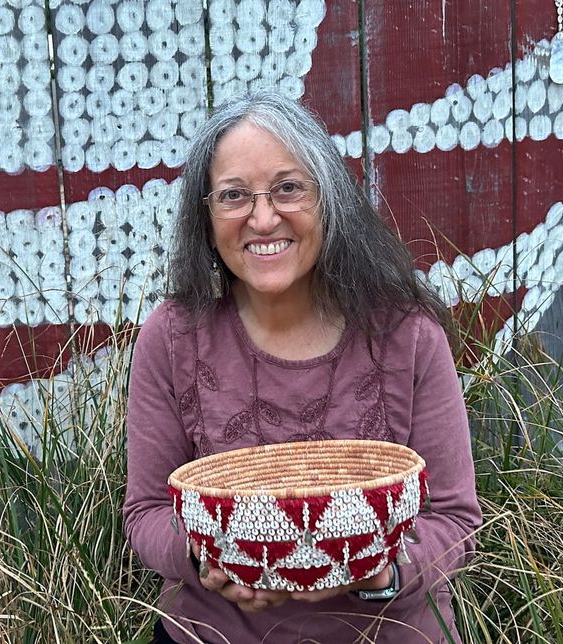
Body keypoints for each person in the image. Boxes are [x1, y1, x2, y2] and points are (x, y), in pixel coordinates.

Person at [123, 91, 481, 643]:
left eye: (288, 188)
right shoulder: (171, 338)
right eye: (234, 195)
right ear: (206, 213)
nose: (263, 219)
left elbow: (456, 519)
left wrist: (380, 575)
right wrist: (203, 562)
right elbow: (146, 511)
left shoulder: (408, 336)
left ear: (329, 197)